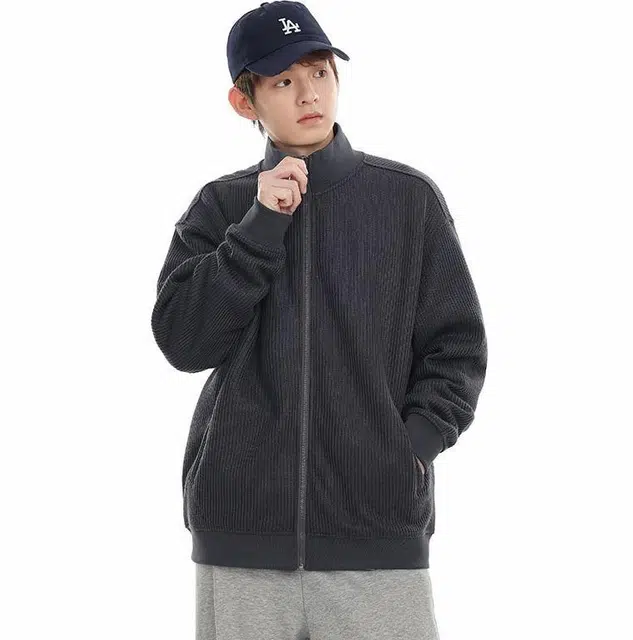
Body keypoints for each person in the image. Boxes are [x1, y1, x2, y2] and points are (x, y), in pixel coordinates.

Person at [150, 2, 488, 638]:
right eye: (283, 80)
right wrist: (259, 228)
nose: (309, 93)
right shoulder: (221, 205)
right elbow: (184, 342)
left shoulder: (408, 200)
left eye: (320, 72)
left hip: (377, 536)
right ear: (244, 102)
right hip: (242, 539)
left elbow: (457, 346)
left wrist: (407, 451)